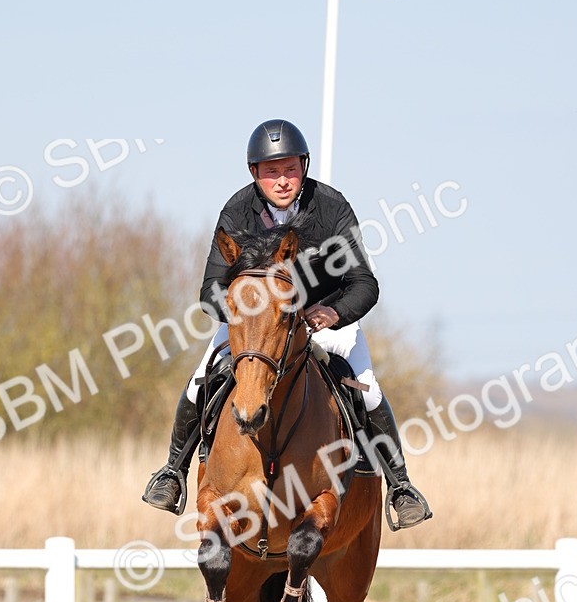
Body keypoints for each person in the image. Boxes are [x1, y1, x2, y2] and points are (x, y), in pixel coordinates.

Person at [143, 119, 431, 529]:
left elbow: (364, 283)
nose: (282, 181)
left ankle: (401, 487)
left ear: (304, 167)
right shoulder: (237, 211)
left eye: (291, 169)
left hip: (324, 319)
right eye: (272, 172)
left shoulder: (331, 208)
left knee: (368, 392)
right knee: (198, 382)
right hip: (255, 327)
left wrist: (334, 313)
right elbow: (210, 288)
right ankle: (173, 471)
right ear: (255, 173)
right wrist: (249, 317)